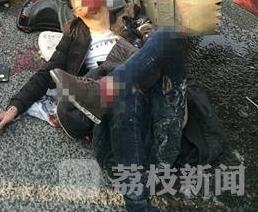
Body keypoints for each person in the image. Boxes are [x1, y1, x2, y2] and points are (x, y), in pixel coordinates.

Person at [49, 27, 188, 212]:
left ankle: (103, 92)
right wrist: (15, 106)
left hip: (160, 128)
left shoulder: (130, 25)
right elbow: (46, 75)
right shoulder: (78, 34)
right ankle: (138, 205)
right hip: (119, 151)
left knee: (168, 35)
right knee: (123, 96)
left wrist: (143, 33)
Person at [0, 0, 137, 139]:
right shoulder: (74, 35)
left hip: (136, 75)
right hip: (107, 89)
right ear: (75, 12)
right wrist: (13, 109)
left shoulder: (128, 19)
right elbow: (47, 73)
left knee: (149, 47)